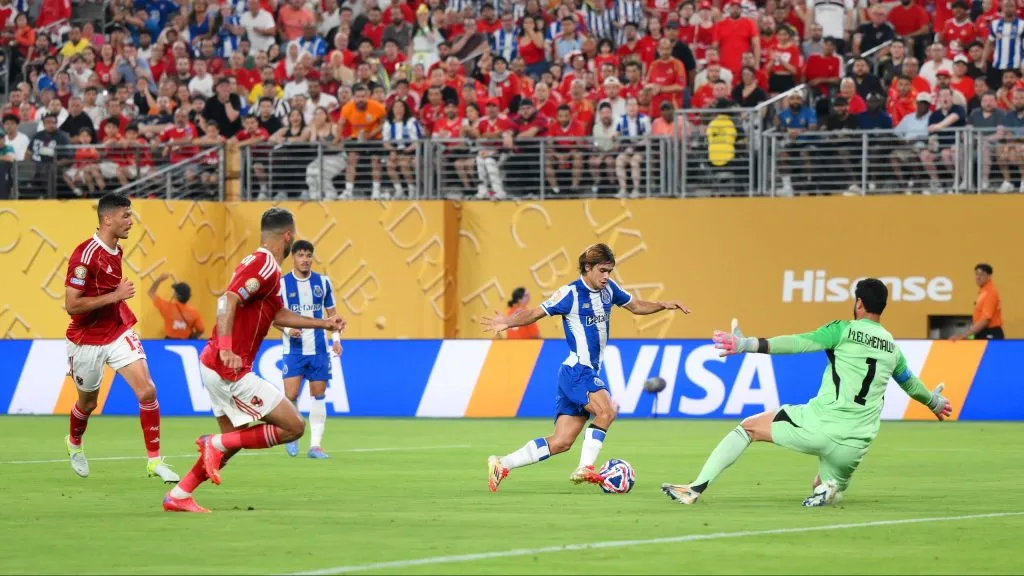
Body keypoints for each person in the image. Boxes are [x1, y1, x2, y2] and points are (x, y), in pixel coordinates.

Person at [662, 279, 952, 507]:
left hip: (822, 425)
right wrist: (935, 402)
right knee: (823, 486)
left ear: (859, 303)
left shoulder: (843, 330)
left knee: (747, 428)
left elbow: (798, 343)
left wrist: (747, 344)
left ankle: (695, 488)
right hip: (856, 445)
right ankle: (829, 488)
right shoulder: (893, 348)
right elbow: (911, 384)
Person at [162, 208, 346, 513]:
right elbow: (227, 299)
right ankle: (211, 448)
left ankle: (180, 494)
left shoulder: (267, 269)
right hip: (228, 367)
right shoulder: (264, 264)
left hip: (215, 364)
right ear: (287, 236)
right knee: (293, 427)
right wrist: (225, 348)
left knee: (233, 441)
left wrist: (323, 324)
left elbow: (277, 315)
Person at [482, 244, 689, 492]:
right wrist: (507, 322)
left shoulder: (609, 290)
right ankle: (585, 468)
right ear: (587, 268)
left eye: (610, 271)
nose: (606, 277)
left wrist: (664, 304)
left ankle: (502, 464)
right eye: (602, 270)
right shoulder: (569, 293)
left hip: (583, 372)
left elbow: (636, 306)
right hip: (578, 370)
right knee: (607, 412)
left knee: (561, 442)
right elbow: (535, 313)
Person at [64, 194, 179, 484]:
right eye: (126, 216)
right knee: (88, 404)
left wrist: (116, 303)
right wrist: (115, 296)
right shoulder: (84, 256)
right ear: (107, 219)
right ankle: (74, 442)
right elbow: (72, 305)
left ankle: (154, 461)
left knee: (147, 391)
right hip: (86, 340)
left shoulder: (116, 249)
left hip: (117, 330)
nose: (131, 221)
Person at [275, 240, 343, 459]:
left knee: (319, 394)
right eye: (301, 255)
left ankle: (315, 446)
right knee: (291, 394)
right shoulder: (283, 284)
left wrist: (337, 339)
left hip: (319, 349)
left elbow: (334, 316)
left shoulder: (323, 282)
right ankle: (292, 435)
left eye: (308, 255)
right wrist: (287, 329)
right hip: (294, 350)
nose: (305, 259)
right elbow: (273, 318)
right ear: (293, 257)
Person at [951, 263, 1003, 341]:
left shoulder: (990, 293)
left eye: (981, 275)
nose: (978, 277)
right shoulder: (982, 292)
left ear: (989, 276)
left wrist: (963, 336)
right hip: (982, 332)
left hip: (990, 334)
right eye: (976, 274)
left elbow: (985, 321)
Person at [149, 273, 205, 339]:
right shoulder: (194, 313)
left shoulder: (167, 308)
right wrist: (191, 339)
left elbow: (151, 292)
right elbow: (201, 330)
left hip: (169, 343)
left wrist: (159, 279)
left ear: (176, 295)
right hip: (186, 344)